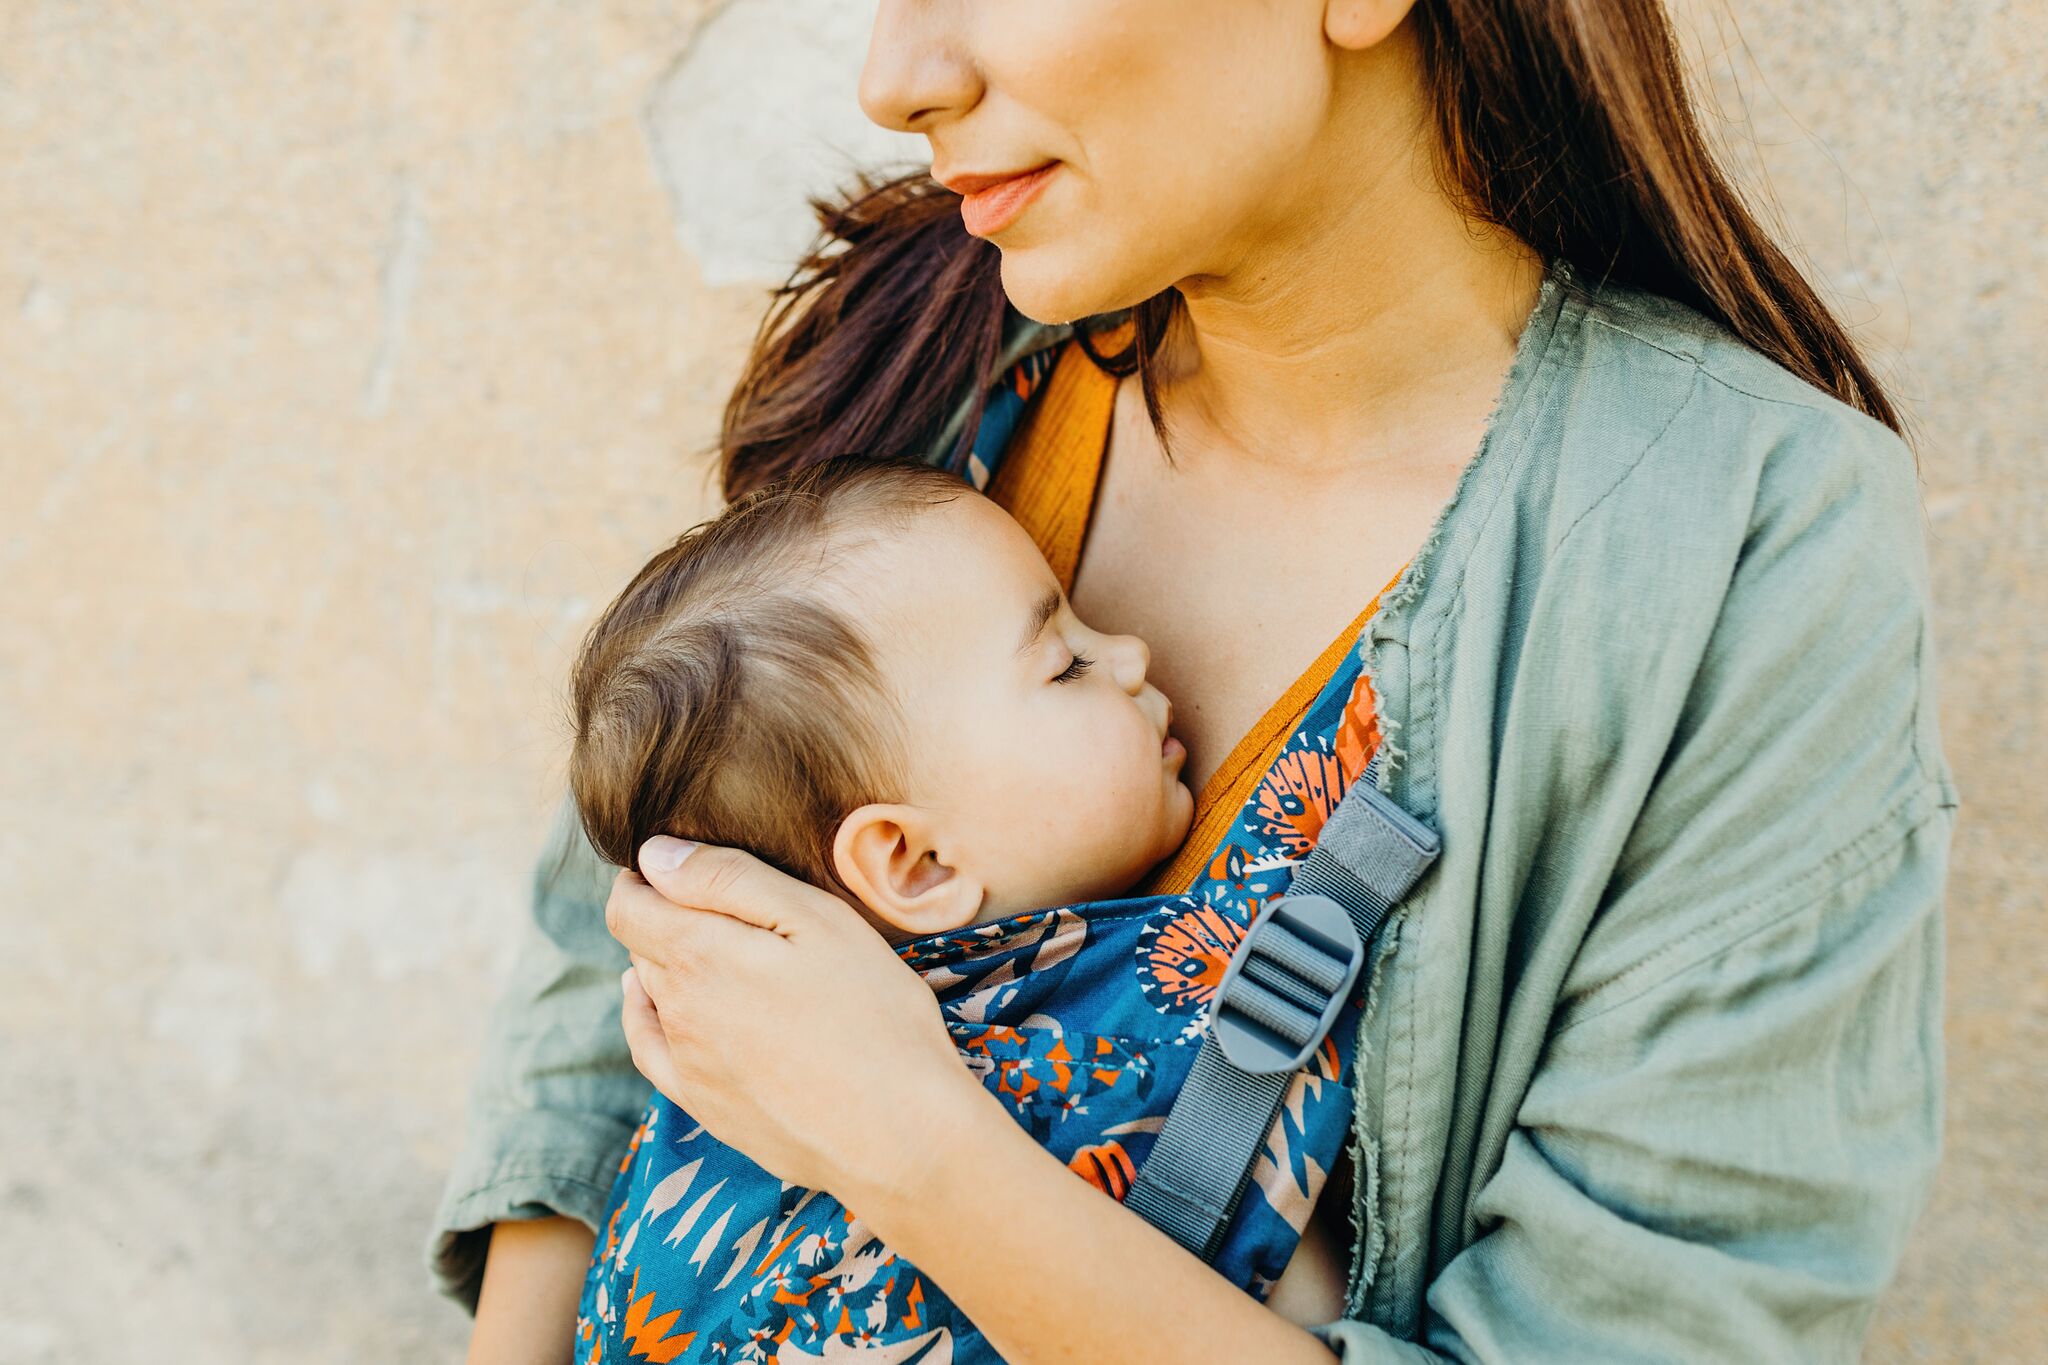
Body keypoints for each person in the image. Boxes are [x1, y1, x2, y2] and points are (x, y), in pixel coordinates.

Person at [433, 1, 1960, 1361]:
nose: (893, 77)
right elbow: (613, 973)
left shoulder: (1736, 543)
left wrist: (915, 1152)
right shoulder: (924, 357)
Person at [564, 455, 1401, 1356]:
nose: (1131, 654)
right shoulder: (1106, 1063)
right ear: (916, 863)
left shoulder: (716, 1067)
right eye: (1067, 665)